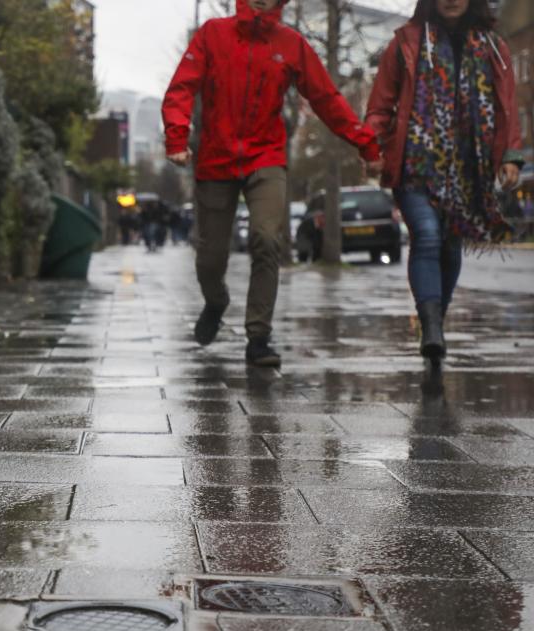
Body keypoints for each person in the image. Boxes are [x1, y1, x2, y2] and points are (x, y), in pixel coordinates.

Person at [163, 0, 382, 367]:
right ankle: (216, 302)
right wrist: (176, 136)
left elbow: (327, 99)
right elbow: (181, 89)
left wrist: (365, 143)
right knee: (210, 258)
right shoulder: (213, 35)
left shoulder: (291, 44)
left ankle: (258, 336)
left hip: (265, 156)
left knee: (267, 237)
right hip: (216, 159)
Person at [366, 0, 523, 366]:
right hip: (414, 163)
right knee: (427, 235)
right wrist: (371, 147)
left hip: (468, 170)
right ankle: (432, 327)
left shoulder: (493, 46)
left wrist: (511, 156)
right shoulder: (405, 42)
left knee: (450, 247)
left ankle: (434, 321)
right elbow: (380, 105)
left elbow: (506, 107)